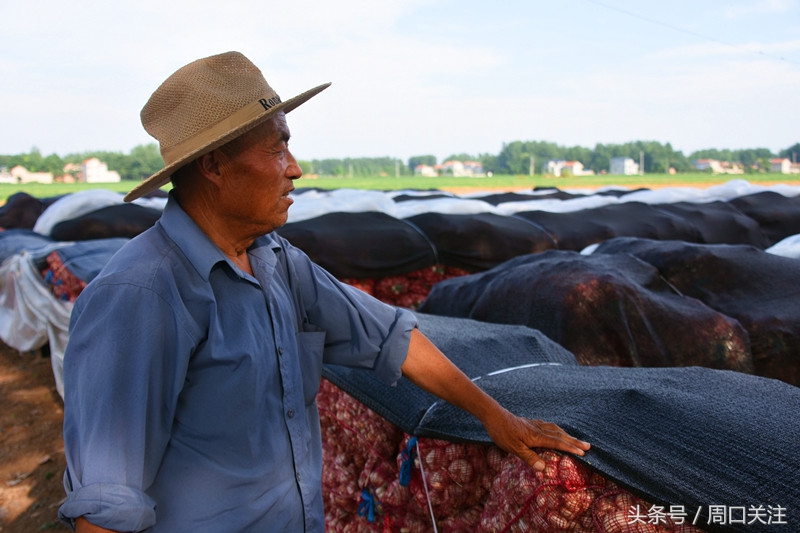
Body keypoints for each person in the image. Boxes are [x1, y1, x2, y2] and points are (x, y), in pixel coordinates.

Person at [59, 51, 589, 533]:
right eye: (277, 148)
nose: (295, 168)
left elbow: (392, 336)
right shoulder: (141, 296)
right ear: (214, 165)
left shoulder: (276, 262)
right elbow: (106, 507)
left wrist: (498, 417)